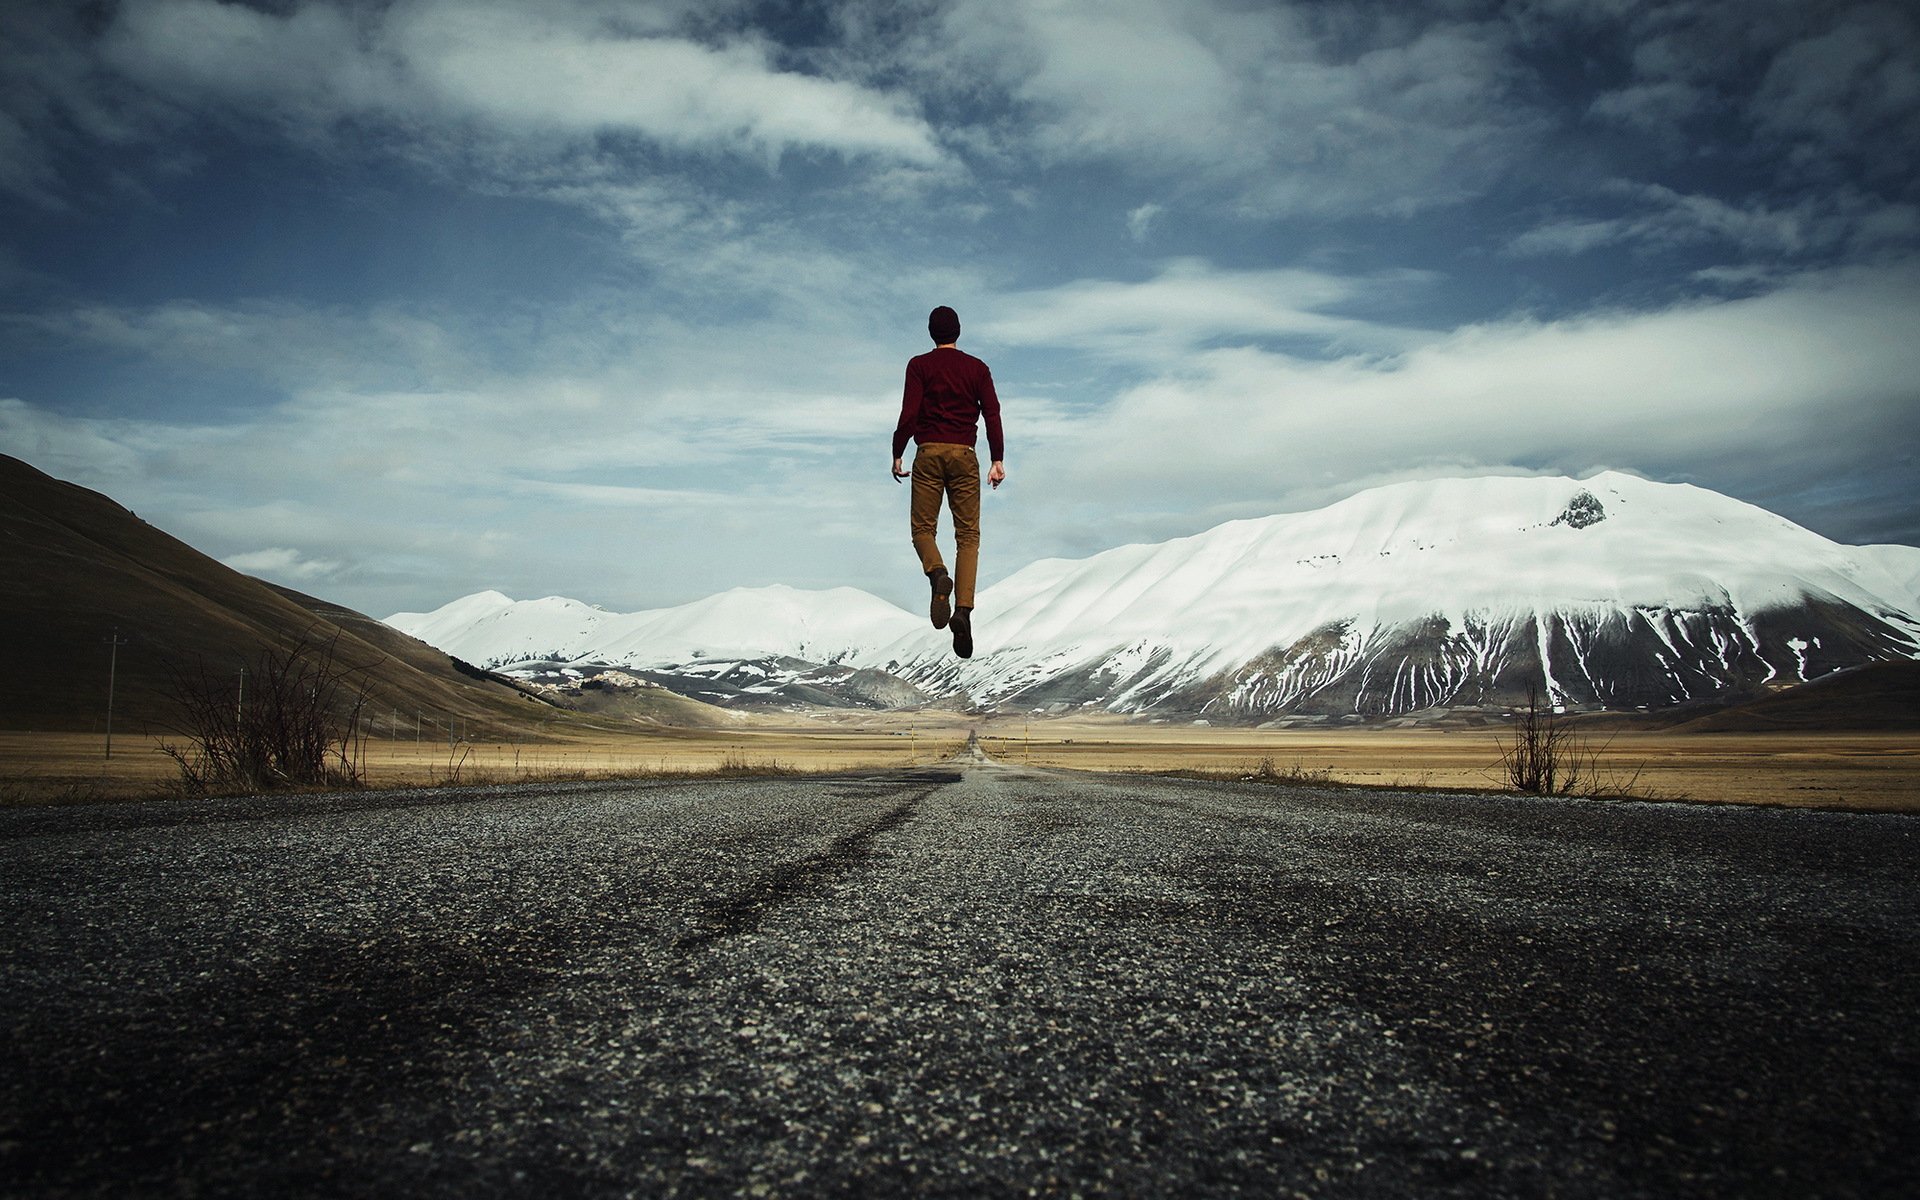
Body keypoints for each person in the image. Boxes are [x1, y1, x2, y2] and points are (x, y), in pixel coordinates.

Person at [891, 305, 1005, 659]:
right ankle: (963, 612)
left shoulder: (919, 366)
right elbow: (992, 412)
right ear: (958, 331)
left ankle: (937, 573)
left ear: (931, 333)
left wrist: (898, 452)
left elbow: (909, 414)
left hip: (927, 453)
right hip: (965, 456)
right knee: (968, 536)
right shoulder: (977, 368)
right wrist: (997, 459)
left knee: (923, 530)